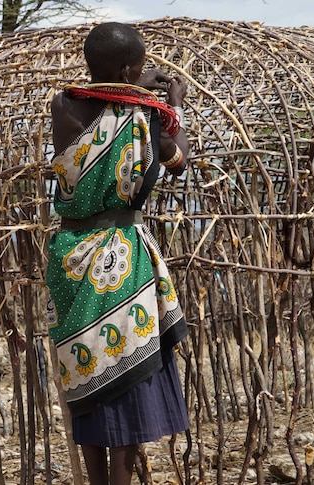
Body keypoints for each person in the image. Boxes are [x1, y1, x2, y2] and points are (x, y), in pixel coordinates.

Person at [46, 22, 191, 485]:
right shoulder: (142, 114)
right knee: (127, 378)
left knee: (85, 371)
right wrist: (173, 108)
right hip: (118, 259)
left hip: (70, 257)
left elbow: (99, 111)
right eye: (141, 64)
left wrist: (133, 92)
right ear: (129, 69)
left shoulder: (63, 104)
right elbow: (176, 160)